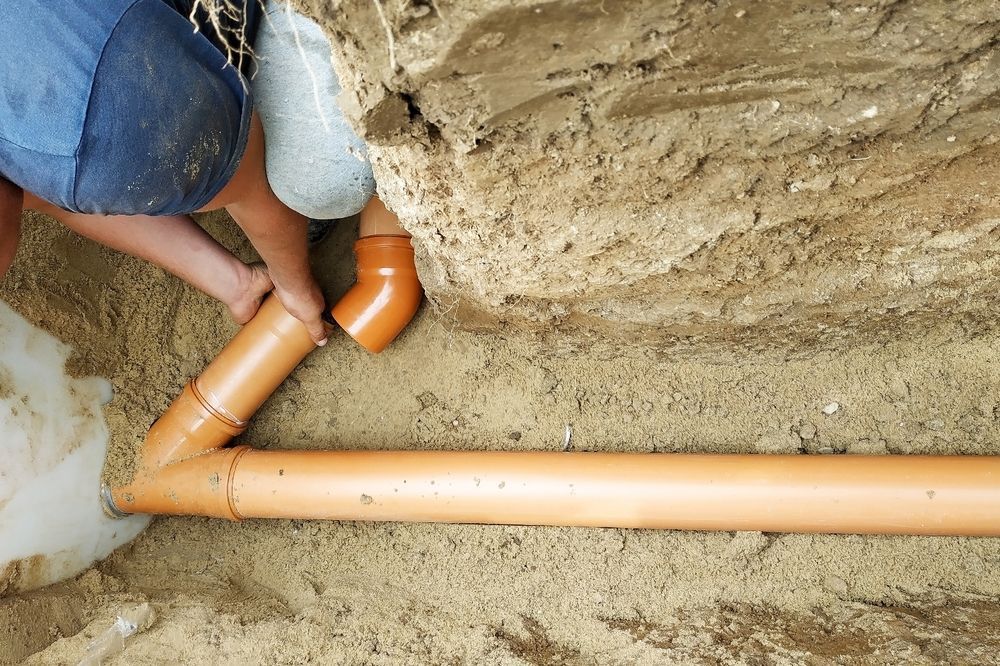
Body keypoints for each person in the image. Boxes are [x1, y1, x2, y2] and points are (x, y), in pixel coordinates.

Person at [0, 0, 408, 345]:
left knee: (326, 185)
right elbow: (44, 192)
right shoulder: (38, 149)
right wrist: (233, 281)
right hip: (123, 71)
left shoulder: (90, 123)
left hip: (242, 23)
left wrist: (294, 286)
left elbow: (250, 185)